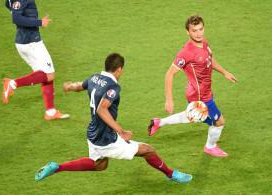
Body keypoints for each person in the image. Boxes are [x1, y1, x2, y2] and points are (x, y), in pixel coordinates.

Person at [34, 53, 192, 183]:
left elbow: (79, 86)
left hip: (93, 133)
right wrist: (121, 131)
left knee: (99, 165)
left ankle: (57, 167)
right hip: (106, 138)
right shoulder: (113, 86)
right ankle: (172, 174)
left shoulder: (94, 77)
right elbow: (102, 109)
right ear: (119, 69)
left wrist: (69, 86)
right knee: (148, 151)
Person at [148, 15, 238, 158]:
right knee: (219, 122)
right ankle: (210, 146)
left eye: (201, 29)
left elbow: (210, 59)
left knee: (194, 116)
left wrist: (224, 72)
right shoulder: (186, 53)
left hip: (202, 90)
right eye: (194, 31)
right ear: (187, 32)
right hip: (200, 95)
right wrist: (169, 99)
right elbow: (170, 74)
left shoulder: (204, 42)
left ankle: (158, 122)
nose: (198, 33)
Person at [3, 0, 69, 120]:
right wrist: (40, 22)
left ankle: (50, 112)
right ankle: (12, 84)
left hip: (23, 43)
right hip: (32, 44)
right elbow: (16, 18)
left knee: (43, 74)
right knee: (49, 74)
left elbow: (8, 4)